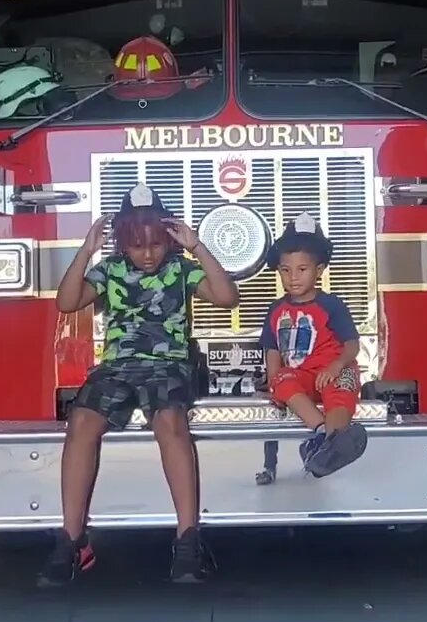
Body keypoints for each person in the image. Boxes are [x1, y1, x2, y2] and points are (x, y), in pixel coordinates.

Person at [38, 184, 239, 586]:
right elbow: (66, 302)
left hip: (168, 364)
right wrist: (86, 250)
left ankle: (188, 542)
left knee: (170, 422)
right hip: (117, 367)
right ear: (122, 243)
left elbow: (227, 296)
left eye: (155, 244)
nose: (147, 254)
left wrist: (196, 245)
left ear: (168, 238)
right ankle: (73, 540)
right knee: (81, 424)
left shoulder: (181, 269)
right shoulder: (109, 271)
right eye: (136, 245)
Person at [256, 212, 368, 480]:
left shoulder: (331, 304)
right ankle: (321, 437)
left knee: (341, 387)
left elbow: (352, 344)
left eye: (302, 269)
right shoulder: (275, 309)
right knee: (282, 378)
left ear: (318, 270)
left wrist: (337, 364)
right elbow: (272, 350)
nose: (293, 277)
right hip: (301, 376)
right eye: (285, 270)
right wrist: (274, 383)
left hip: (333, 369)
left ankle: (335, 438)